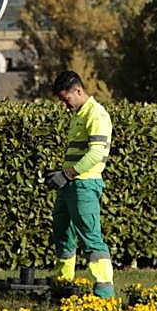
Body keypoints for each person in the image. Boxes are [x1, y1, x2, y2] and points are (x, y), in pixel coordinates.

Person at [47, 70, 114, 298]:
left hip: (84, 185)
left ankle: (104, 292)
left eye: (66, 99)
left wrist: (66, 174)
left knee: (91, 237)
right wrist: (62, 175)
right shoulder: (79, 114)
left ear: (78, 90)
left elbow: (96, 154)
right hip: (71, 185)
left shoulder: (96, 115)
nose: (65, 105)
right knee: (62, 232)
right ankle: (63, 284)